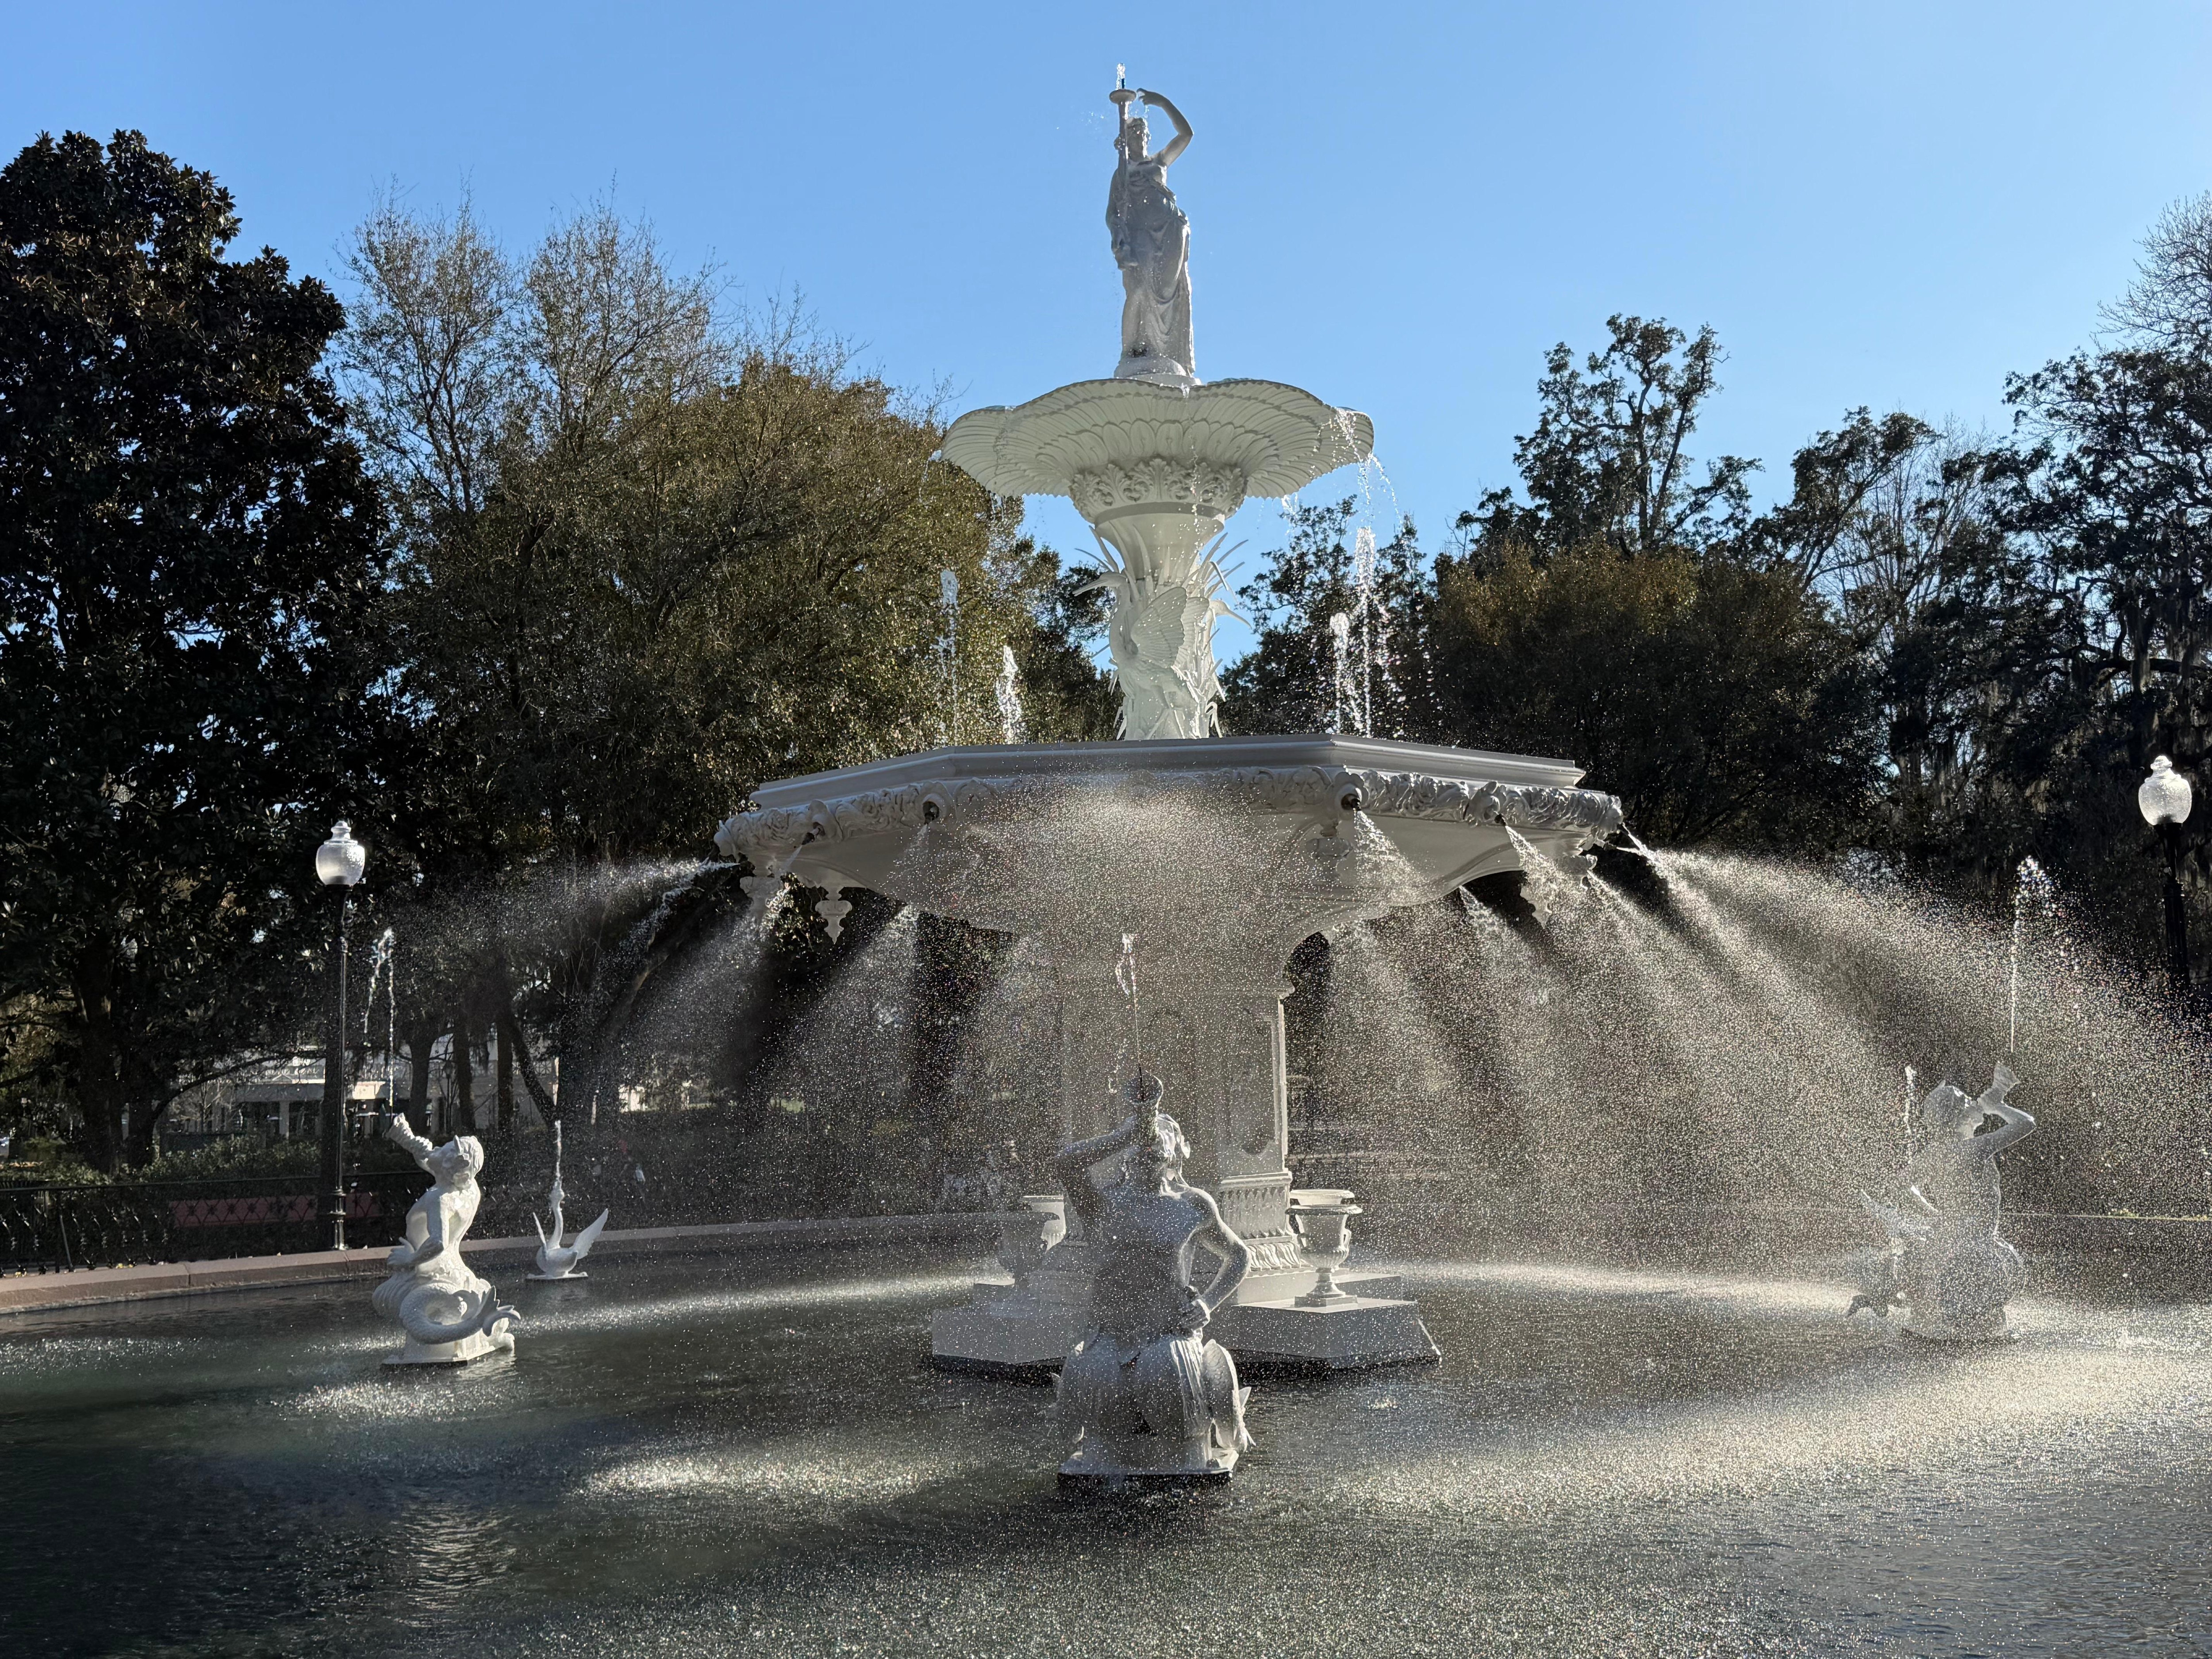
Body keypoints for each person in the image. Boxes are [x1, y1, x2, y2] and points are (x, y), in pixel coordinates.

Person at [1053, 1072, 1253, 1478]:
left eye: (1161, 1134)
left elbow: (1239, 1256)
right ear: (1125, 1151)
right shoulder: (1101, 1204)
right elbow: (1067, 1162)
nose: (1149, 1142)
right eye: (1140, 1140)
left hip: (1170, 1337)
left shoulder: (1193, 1205)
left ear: (1177, 1151)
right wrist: (1125, 1132)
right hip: (1108, 1337)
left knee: (1176, 1404)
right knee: (1101, 1442)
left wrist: (1206, 1303)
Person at [1858, 1065, 2035, 1340]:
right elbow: (2027, 1124)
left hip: (1953, 1239)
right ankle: (1960, 1355)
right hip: (1975, 1247)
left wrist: (1933, 1213)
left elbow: (1899, 1187)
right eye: (1968, 1101)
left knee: (1956, 1317)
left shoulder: (1935, 1154)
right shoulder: (1974, 1148)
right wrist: (1998, 1106)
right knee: (1979, 1322)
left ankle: (1933, 1341)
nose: (1975, 1102)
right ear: (1961, 1115)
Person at [1107, 89, 1196, 382]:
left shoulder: (1159, 163)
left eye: (1145, 133)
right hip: (1140, 234)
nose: (1142, 137)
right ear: (1127, 137)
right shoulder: (1122, 171)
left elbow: (1186, 135)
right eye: (1136, 132)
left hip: (1171, 230)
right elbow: (1113, 214)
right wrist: (1120, 244)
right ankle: (1132, 350)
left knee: (1168, 293)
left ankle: (1165, 352)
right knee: (1140, 289)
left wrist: (1164, 104)